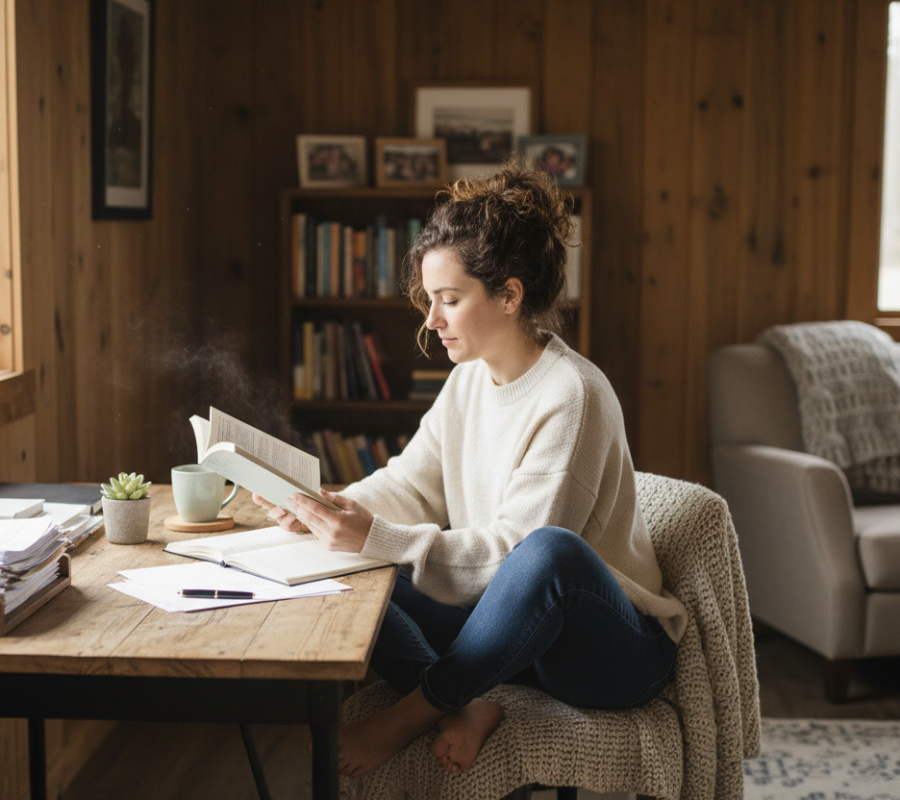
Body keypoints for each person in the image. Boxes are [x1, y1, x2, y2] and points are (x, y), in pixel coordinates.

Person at [254, 160, 687, 779]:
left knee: (547, 554)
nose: (431, 320)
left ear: (509, 295)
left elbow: (519, 558)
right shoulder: (466, 383)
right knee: (351, 563)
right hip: (506, 637)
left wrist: (375, 535)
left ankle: (418, 709)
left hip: (602, 653)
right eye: (430, 301)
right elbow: (410, 483)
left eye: (449, 300)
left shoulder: (572, 395)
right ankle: (470, 700)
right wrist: (328, 509)